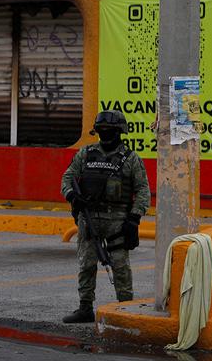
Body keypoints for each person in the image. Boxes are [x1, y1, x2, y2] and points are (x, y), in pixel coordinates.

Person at [60, 110, 150, 323]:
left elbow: (143, 190)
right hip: (89, 218)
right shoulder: (86, 154)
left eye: (110, 131)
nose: (106, 135)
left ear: (120, 132)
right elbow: (67, 177)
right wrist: (73, 196)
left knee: (120, 267)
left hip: (118, 221)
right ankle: (85, 308)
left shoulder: (130, 159)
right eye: (102, 131)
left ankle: (125, 308)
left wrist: (134, 219)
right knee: (86, 264)